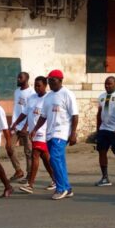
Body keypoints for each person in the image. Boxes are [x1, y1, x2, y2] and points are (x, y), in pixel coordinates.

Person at [31, 70, 78, 200]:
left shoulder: (67, 94)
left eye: (53, 80)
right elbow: (44, 116)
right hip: (50, 133)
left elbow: (74, 115)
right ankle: (67, 188)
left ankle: (61, 188)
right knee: (60, 161)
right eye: (49, 80)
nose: (50, 83)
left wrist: (73, 133)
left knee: (54, 159)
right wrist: (35, 129)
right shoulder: (49, 96)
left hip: (61, 132)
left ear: (60, 80)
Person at [11, 76, 55, 194]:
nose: (36, 88)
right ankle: (55, 179)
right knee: (45, 158)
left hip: (43, 132)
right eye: (35, 85)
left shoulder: (49, 98)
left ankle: (30, 184)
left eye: (39, 85)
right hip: (33, 132)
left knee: (35, 155)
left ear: (45, 86)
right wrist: (16, 123)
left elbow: (48, 116)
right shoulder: (31, 98)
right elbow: (25, 113)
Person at [9, 72, 35, 182]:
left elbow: (31, 112)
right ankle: (18, 170)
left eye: (20, 77)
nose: (18, 79)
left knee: (28, 152)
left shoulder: (32, 93)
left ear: (27, 79)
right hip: (16, 125)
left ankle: (29, 175)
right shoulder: (17, 92)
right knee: (9, 148)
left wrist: (26, 126)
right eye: (17, 77)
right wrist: (13, 124)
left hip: (27, 127)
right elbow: (17, 109)